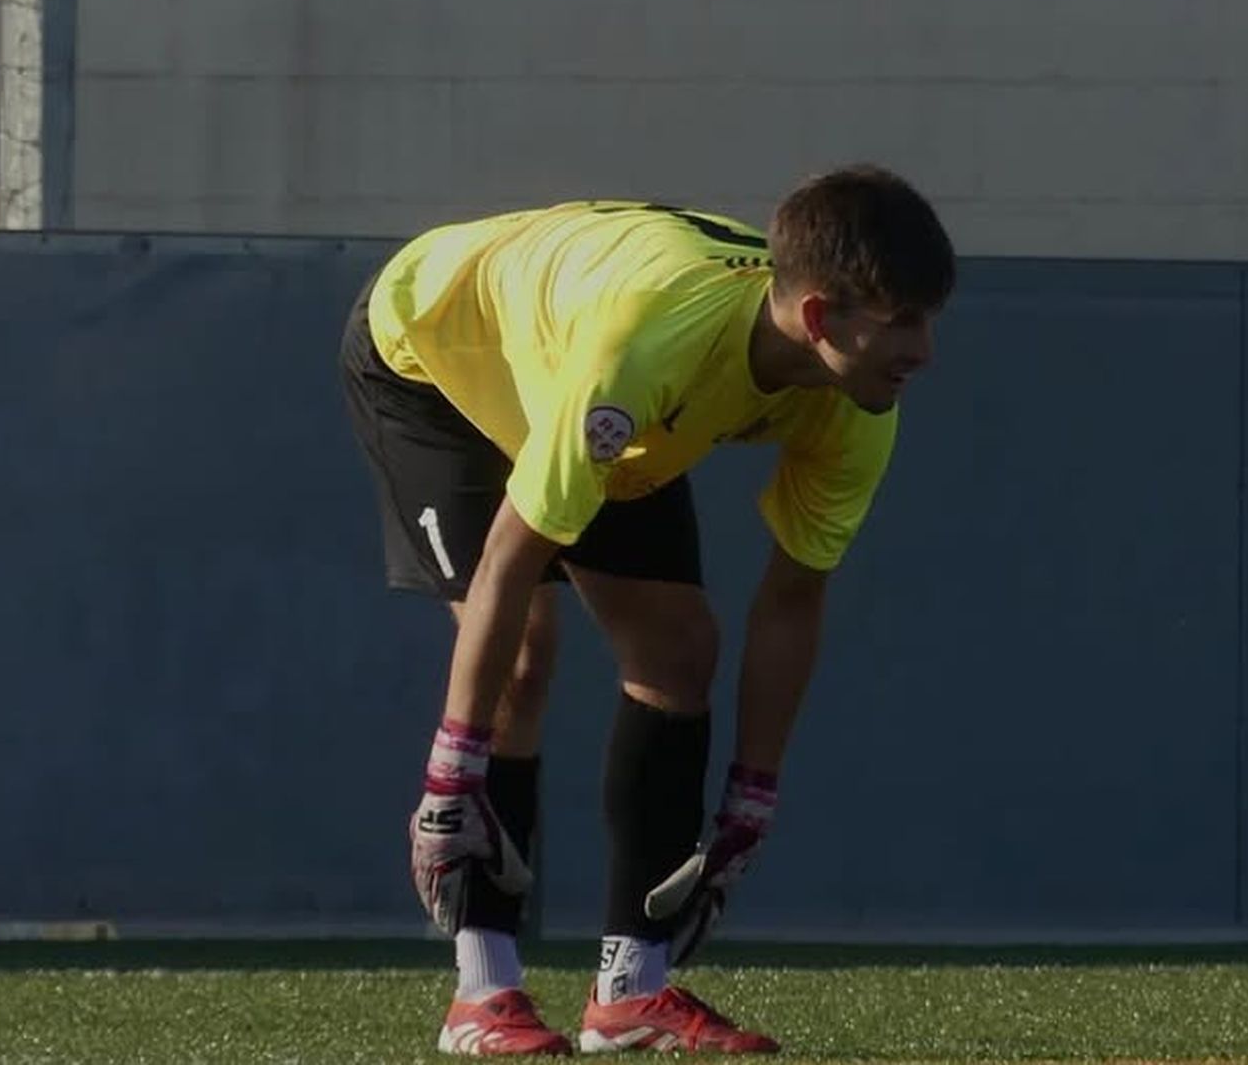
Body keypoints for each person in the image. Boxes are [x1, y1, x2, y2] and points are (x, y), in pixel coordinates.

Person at [338, 165, 955, 1056]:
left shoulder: (861, 405)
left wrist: (751, 801)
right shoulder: (649, 346)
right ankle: (483, 993)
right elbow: (516, 552)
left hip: (582, 361)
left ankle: (631, 991)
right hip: (436, 346)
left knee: (677, 649)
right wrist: (449, 777)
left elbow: (792, 597)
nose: (925, 350)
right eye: (903, 319)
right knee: (525, 654)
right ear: (821, 319)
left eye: (929, 317)